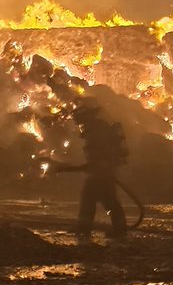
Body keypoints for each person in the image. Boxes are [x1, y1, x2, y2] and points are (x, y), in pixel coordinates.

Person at [52, 101, 128, 239]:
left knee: (91, 198)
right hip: (105, 171)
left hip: (101, 172)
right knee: (108, 200)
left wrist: (69, 169)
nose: (76, 121)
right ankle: (119, 229)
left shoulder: (95, 132)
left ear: (86, 117)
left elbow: (96, 157)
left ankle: (84, 228)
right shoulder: (98, 129)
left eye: (79, 117)